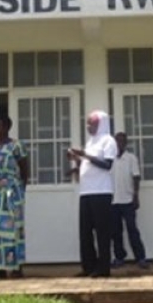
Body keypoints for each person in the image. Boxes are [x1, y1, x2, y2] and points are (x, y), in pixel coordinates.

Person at [67, 110, 118, 278]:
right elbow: (87, 163)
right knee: (85, 232)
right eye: (88, 124)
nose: (89, 127)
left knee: (102, 232)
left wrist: (85, 155)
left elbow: (107, 165)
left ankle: (103, 268)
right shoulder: (91, 142)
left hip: (101, 191)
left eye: (93, 124)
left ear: (102, 124)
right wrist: (76, 159)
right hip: (86, 191)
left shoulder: (108, 141)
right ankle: (88, 266)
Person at [0, 115, 29, 279]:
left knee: (13, 228)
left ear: (6, 127)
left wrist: (21, 189)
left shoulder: (16, 146)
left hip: (12, 192)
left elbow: (24, 169)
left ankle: (16, 267)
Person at [110, 131, 148, 270]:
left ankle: (141, 257)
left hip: (127, 200)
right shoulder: (110, 159)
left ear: (125, 143)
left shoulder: (131, 158)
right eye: (117, 141)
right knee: (115, 231)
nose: (119, 144)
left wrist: (136, 196)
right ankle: (119, 257)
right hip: (113, 201)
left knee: (132, 229)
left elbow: (136, 177)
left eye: (122, 141)